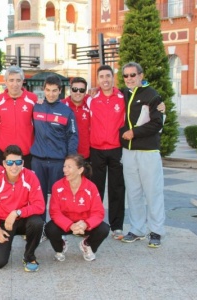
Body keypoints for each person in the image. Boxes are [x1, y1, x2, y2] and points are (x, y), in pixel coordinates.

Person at [119, 62, 166, 248]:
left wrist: (134, 133)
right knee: (133, 192)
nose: (129, 78)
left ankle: (156, 231)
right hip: (129, 152)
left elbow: (157, 123)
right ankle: (137, 229)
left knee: (153, 192)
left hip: (148, 151)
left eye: (133, 75)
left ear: (141, 75)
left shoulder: (152, 95)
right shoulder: (122, 94)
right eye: (126, 76)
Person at [0, 145, 45, 272]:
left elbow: (40, 205)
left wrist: (17, 212)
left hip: (23, 218)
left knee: (37, 222)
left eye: (18, 162)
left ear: (22, 163)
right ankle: (5, 244)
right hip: (3, 222)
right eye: (10, 162)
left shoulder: (30, 177)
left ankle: (29, 256)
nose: (14, 166)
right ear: (4, 164)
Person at [31, 74, 78, 222]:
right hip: (37, 161)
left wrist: (70, 161)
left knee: (59, 197)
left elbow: (73, 136)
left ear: (60, 91)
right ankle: (41, 229)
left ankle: (60, 228)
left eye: (54, 90)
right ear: (43, 90)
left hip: (58, 161)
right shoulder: (36, 107)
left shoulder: (66, 111)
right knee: (38, 197)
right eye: (48, 90)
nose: (51, 94)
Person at [45, 154, 110, 262]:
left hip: (83, 224)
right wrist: (70, 225)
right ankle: (60, 247)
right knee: (49, 228)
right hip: (66, 223)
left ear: (80, 170)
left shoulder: (91, 187)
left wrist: (86, 224)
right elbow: (54, 212)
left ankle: (86, 245)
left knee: (104, 228)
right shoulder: (57, 186)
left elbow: (98, 212)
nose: (65, 170)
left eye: (69, 167)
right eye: (64, 166)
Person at [86, 65, 126, 240]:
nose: (105, 80)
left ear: (113, 78)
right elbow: (73, 104)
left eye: (108, 76)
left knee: (117, 188)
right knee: (96, 190)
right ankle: (94, 224)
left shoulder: (123, 97)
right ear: (98, 80)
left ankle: (116, 226)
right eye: (101, 76)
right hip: (96, 150)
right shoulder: (91, 99)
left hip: (117, 149)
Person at [0, 66, 38, 169]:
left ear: (23, 81)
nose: (15, 84)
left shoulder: (33, 99)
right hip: (4, 153)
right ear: (6, 82)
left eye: (18, 80)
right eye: (11, 80)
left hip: (26, 153)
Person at [62, 77, 91, 160]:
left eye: (81, 90)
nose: (78, 92)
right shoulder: (62, 105)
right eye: (75, 89)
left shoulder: (90, 104)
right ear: (70, 90)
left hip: (85, 155)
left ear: (85, 92)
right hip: (65, 155)